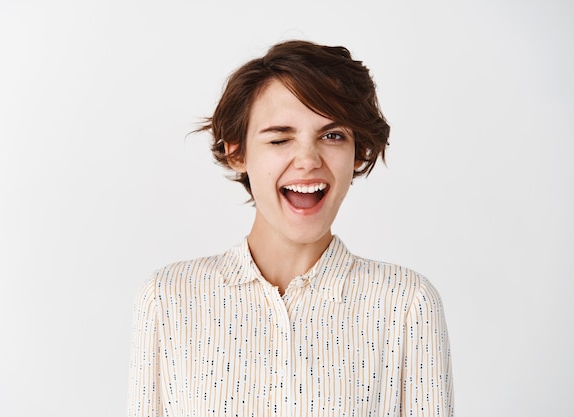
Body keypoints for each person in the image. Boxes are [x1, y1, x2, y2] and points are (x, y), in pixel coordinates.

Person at [127, 40, 454, 416]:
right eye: (280, 138)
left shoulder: (407, 305)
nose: (308, 160)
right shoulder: (167, 299)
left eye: (332, 136)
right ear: (238, 153)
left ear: (357, 152)